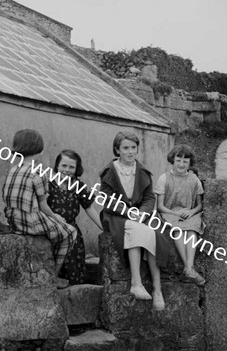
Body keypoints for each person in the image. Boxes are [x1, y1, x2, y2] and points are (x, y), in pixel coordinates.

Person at [99, 132, 170, 310]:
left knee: (155, 234)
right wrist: (127, 212)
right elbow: (106, 200)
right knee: (136, 230)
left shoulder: (143, 172)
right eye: (125, 148)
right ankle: (136, 283)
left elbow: (149, 198)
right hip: (116, 216)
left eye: (133, 148)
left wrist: (142, 213)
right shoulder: (109, 172)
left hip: (139, 215)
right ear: (117, 150)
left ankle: (157, 289)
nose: (130, 152)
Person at [2, 129, 77, 289]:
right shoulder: (38, 171)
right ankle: (54, 276)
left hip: (14, 218)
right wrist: (56, 217)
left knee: (57, 229)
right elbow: (44, 206)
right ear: (40, 148)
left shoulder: (13, 169)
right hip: (30, 221)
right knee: (70, 233)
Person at [47, 150, 102, 285]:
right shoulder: (48, 184)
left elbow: (89, 208)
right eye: (64, 166)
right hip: (53, 230)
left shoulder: (78, 186)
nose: (67, 170)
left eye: (71, 167)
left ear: (77, 169)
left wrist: (104, 227)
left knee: (74, 271)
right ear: (57, 166)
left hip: (73, 232)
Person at [154, 145, 205, 285]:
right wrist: (175, 213)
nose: (181, 164)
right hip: (170, 213)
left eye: (185, 161)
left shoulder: (194, 180)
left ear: (189, 163)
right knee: (178, 231)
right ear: (173, 160)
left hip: (189, 214)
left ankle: (189, 267)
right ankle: (189, 268)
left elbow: (199, 205)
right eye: (178, 160)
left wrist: (191, 212)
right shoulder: (164, 178)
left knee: (192, 231)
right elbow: (160, 206)